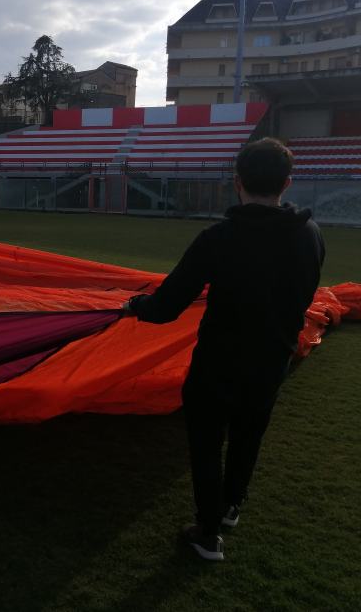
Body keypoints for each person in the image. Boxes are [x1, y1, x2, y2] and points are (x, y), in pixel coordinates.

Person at [124, 138, 325, 561]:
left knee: (206, 443)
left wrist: (136, 306)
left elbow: (166, 306)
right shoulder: (310, 235)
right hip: (272, 361)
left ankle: (208, 531)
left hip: (218, 363)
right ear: (287, 183)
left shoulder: (217, 239)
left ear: (237, 182)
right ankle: (232, 505)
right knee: (248, 437)